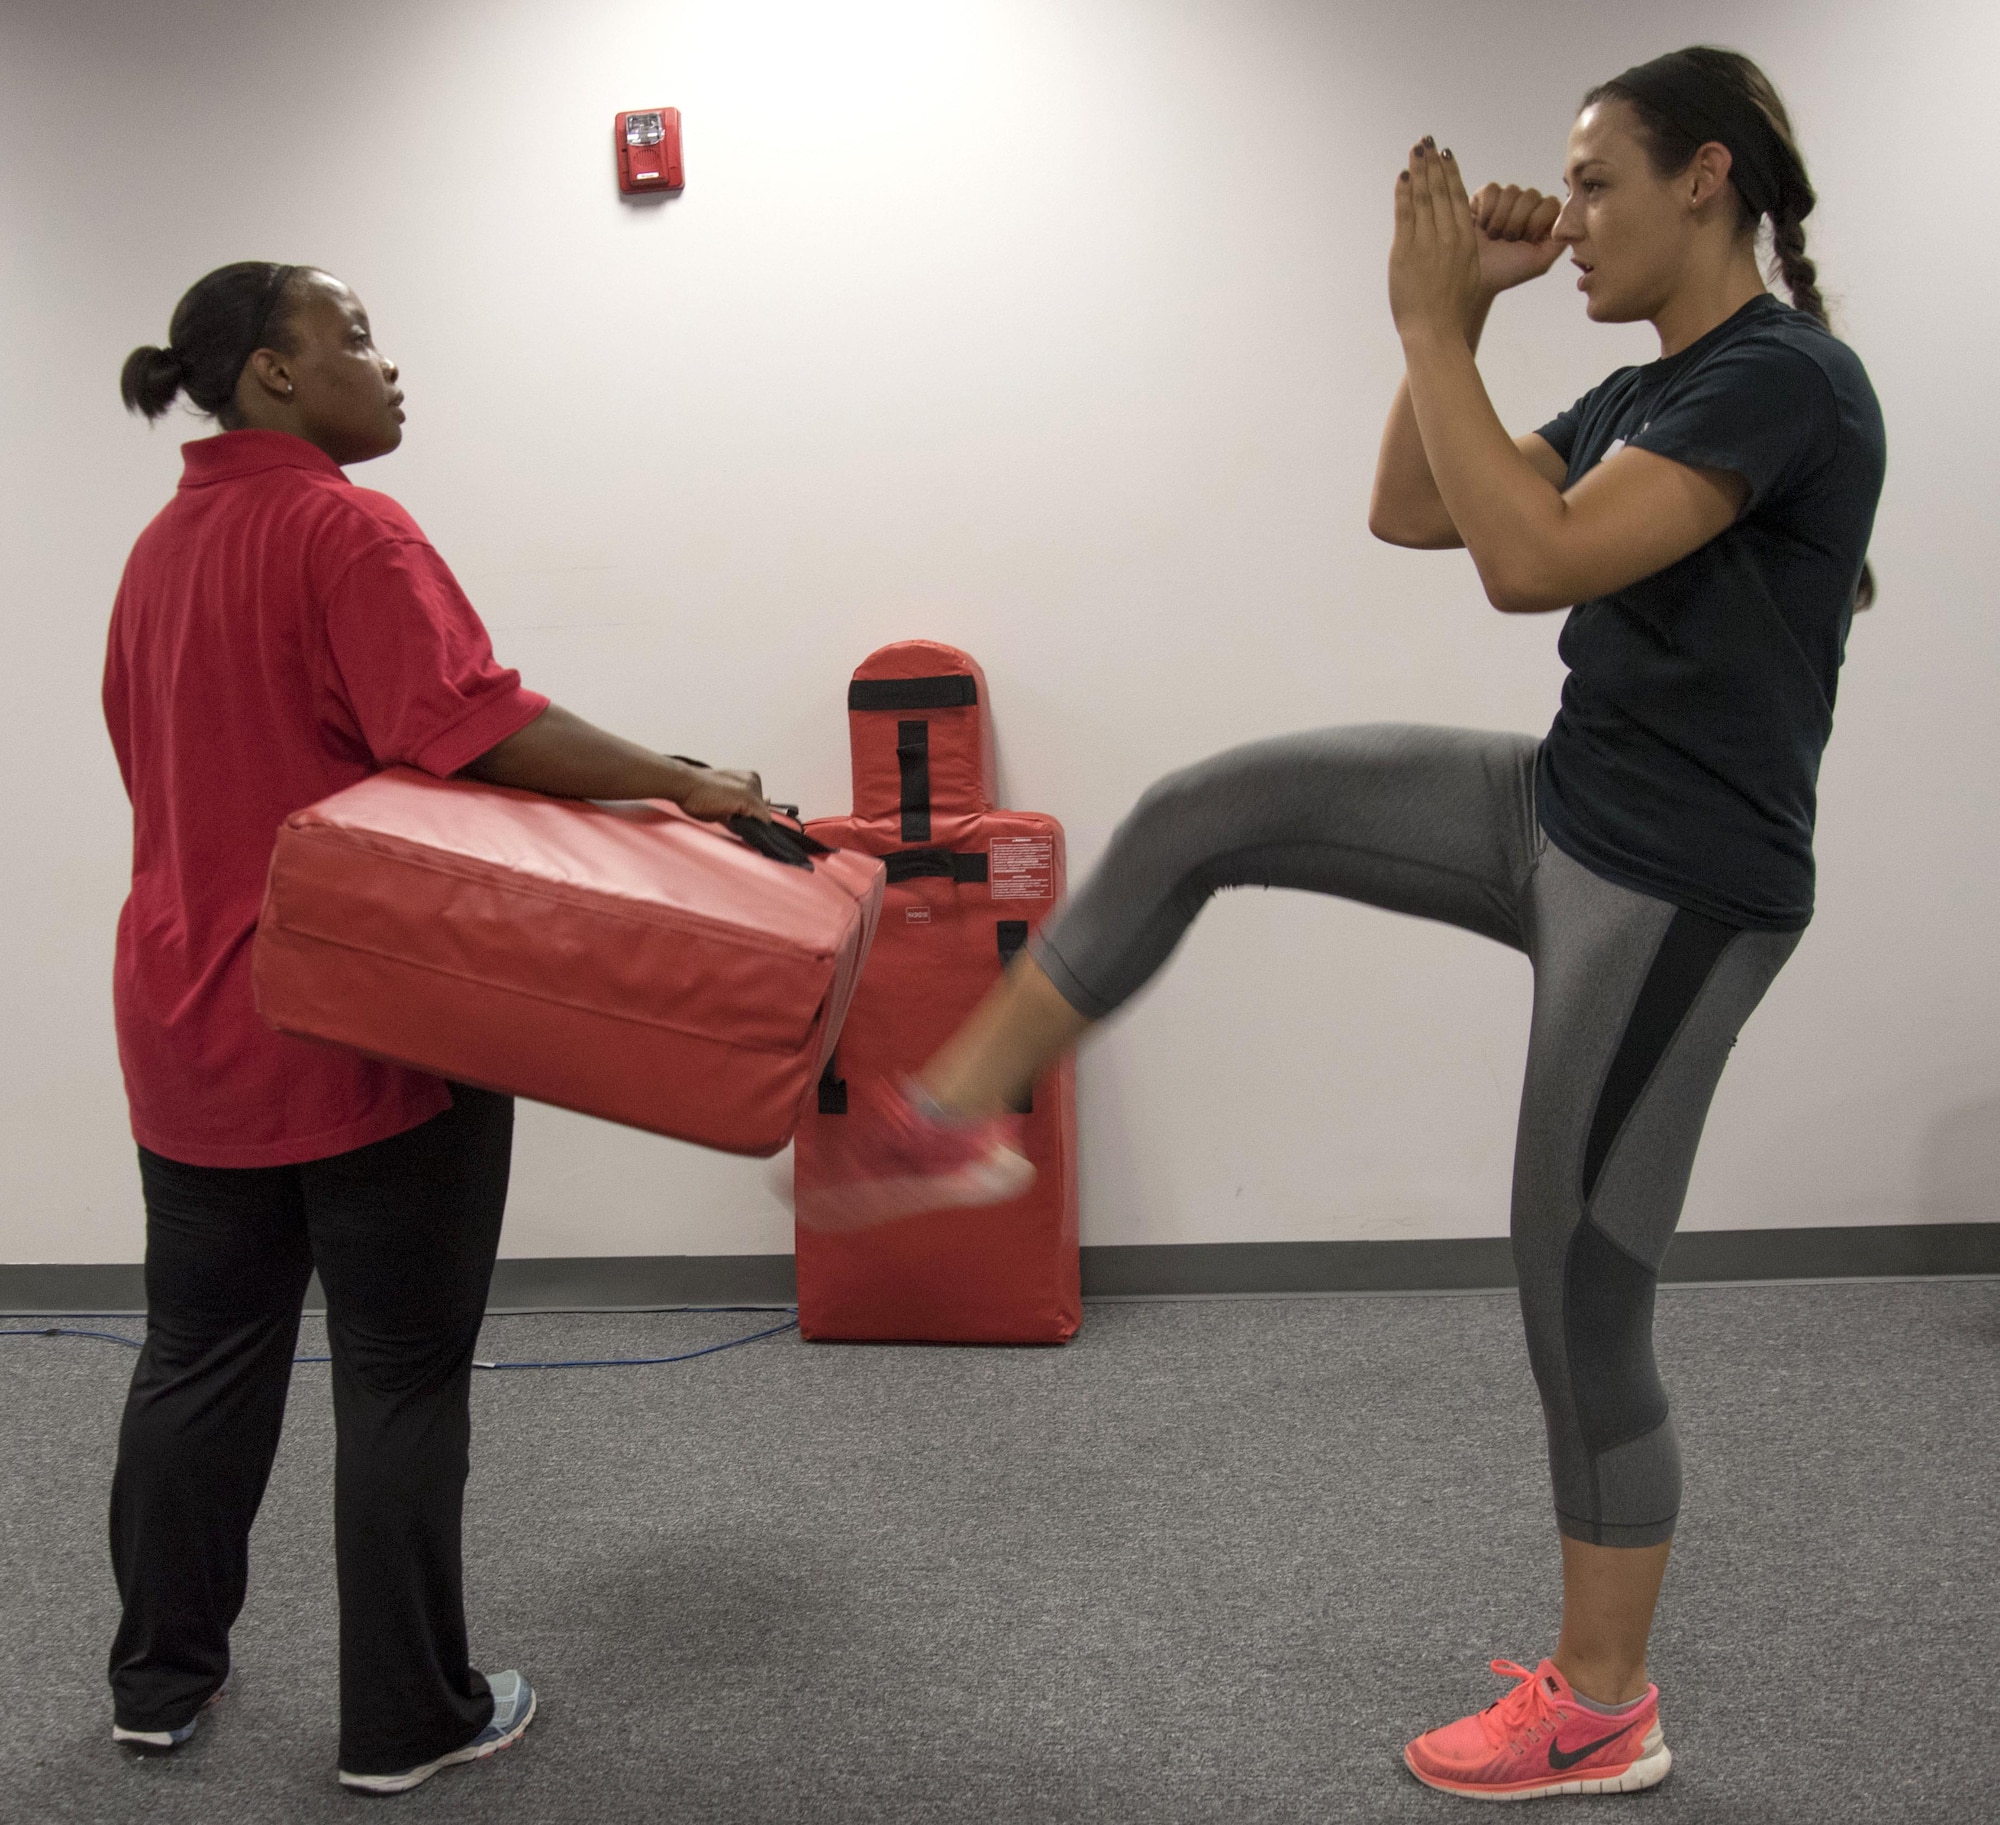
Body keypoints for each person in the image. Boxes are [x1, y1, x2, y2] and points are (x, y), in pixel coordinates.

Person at [809, 46, 1884, 1802]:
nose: (1576, 213)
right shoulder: (1648, 390)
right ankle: (957, 1115)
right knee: (1207, 809)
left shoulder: (1789, 385)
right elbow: (1415, 508)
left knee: (1578, 1288)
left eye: (1600, 181)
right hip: (1559, 807)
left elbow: (1529, 560)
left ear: (1707, 181)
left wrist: (1435, 327)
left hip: (1683, 888)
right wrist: (1452, 322)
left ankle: (1606, 1703)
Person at [104, 261, 771, 1794]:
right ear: (273, 372)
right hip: (366, 1020)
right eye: (356, 338)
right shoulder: (343, 525)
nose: (388, 368)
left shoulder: (161, 549)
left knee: (200, 1351)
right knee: (399, 1370)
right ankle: (410, 1717)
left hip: (188, 1014)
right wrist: (692, 780)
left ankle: (157, 1681)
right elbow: (474, 723)